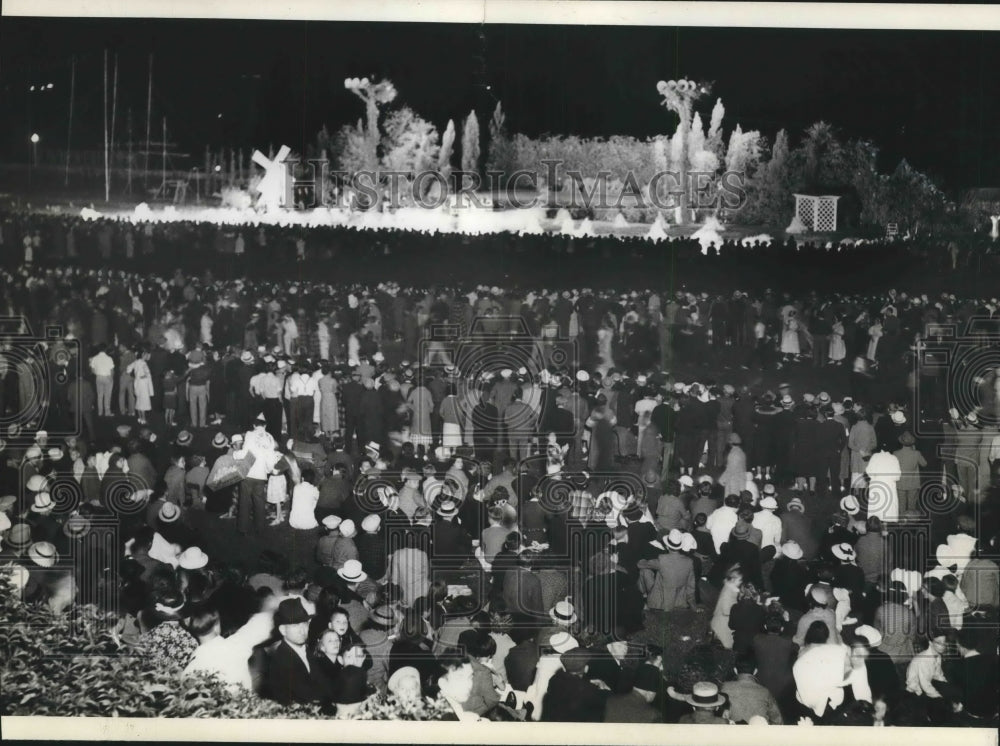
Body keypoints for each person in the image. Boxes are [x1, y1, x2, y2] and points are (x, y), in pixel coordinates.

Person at [265, 597, 328, 705]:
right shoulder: (281, 660)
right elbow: (307, 697)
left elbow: (322, 682)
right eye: (295, 625)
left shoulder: (307, 650)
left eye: (304, 624)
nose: (302, 630)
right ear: (283, 630)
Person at [720, 656, 784, 724]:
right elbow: (778, 721)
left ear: (735, 670)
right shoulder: (765, 692)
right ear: (755, 671)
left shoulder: (724, 687)